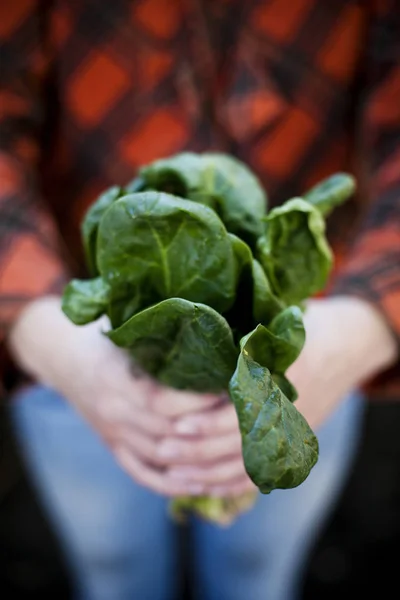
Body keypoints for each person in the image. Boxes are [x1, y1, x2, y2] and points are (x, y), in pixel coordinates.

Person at [1, 1, 399, 599]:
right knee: (112, 566)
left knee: (255, 570)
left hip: (311, 351)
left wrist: (361, 328)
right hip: (73, 344)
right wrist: (46, 335)